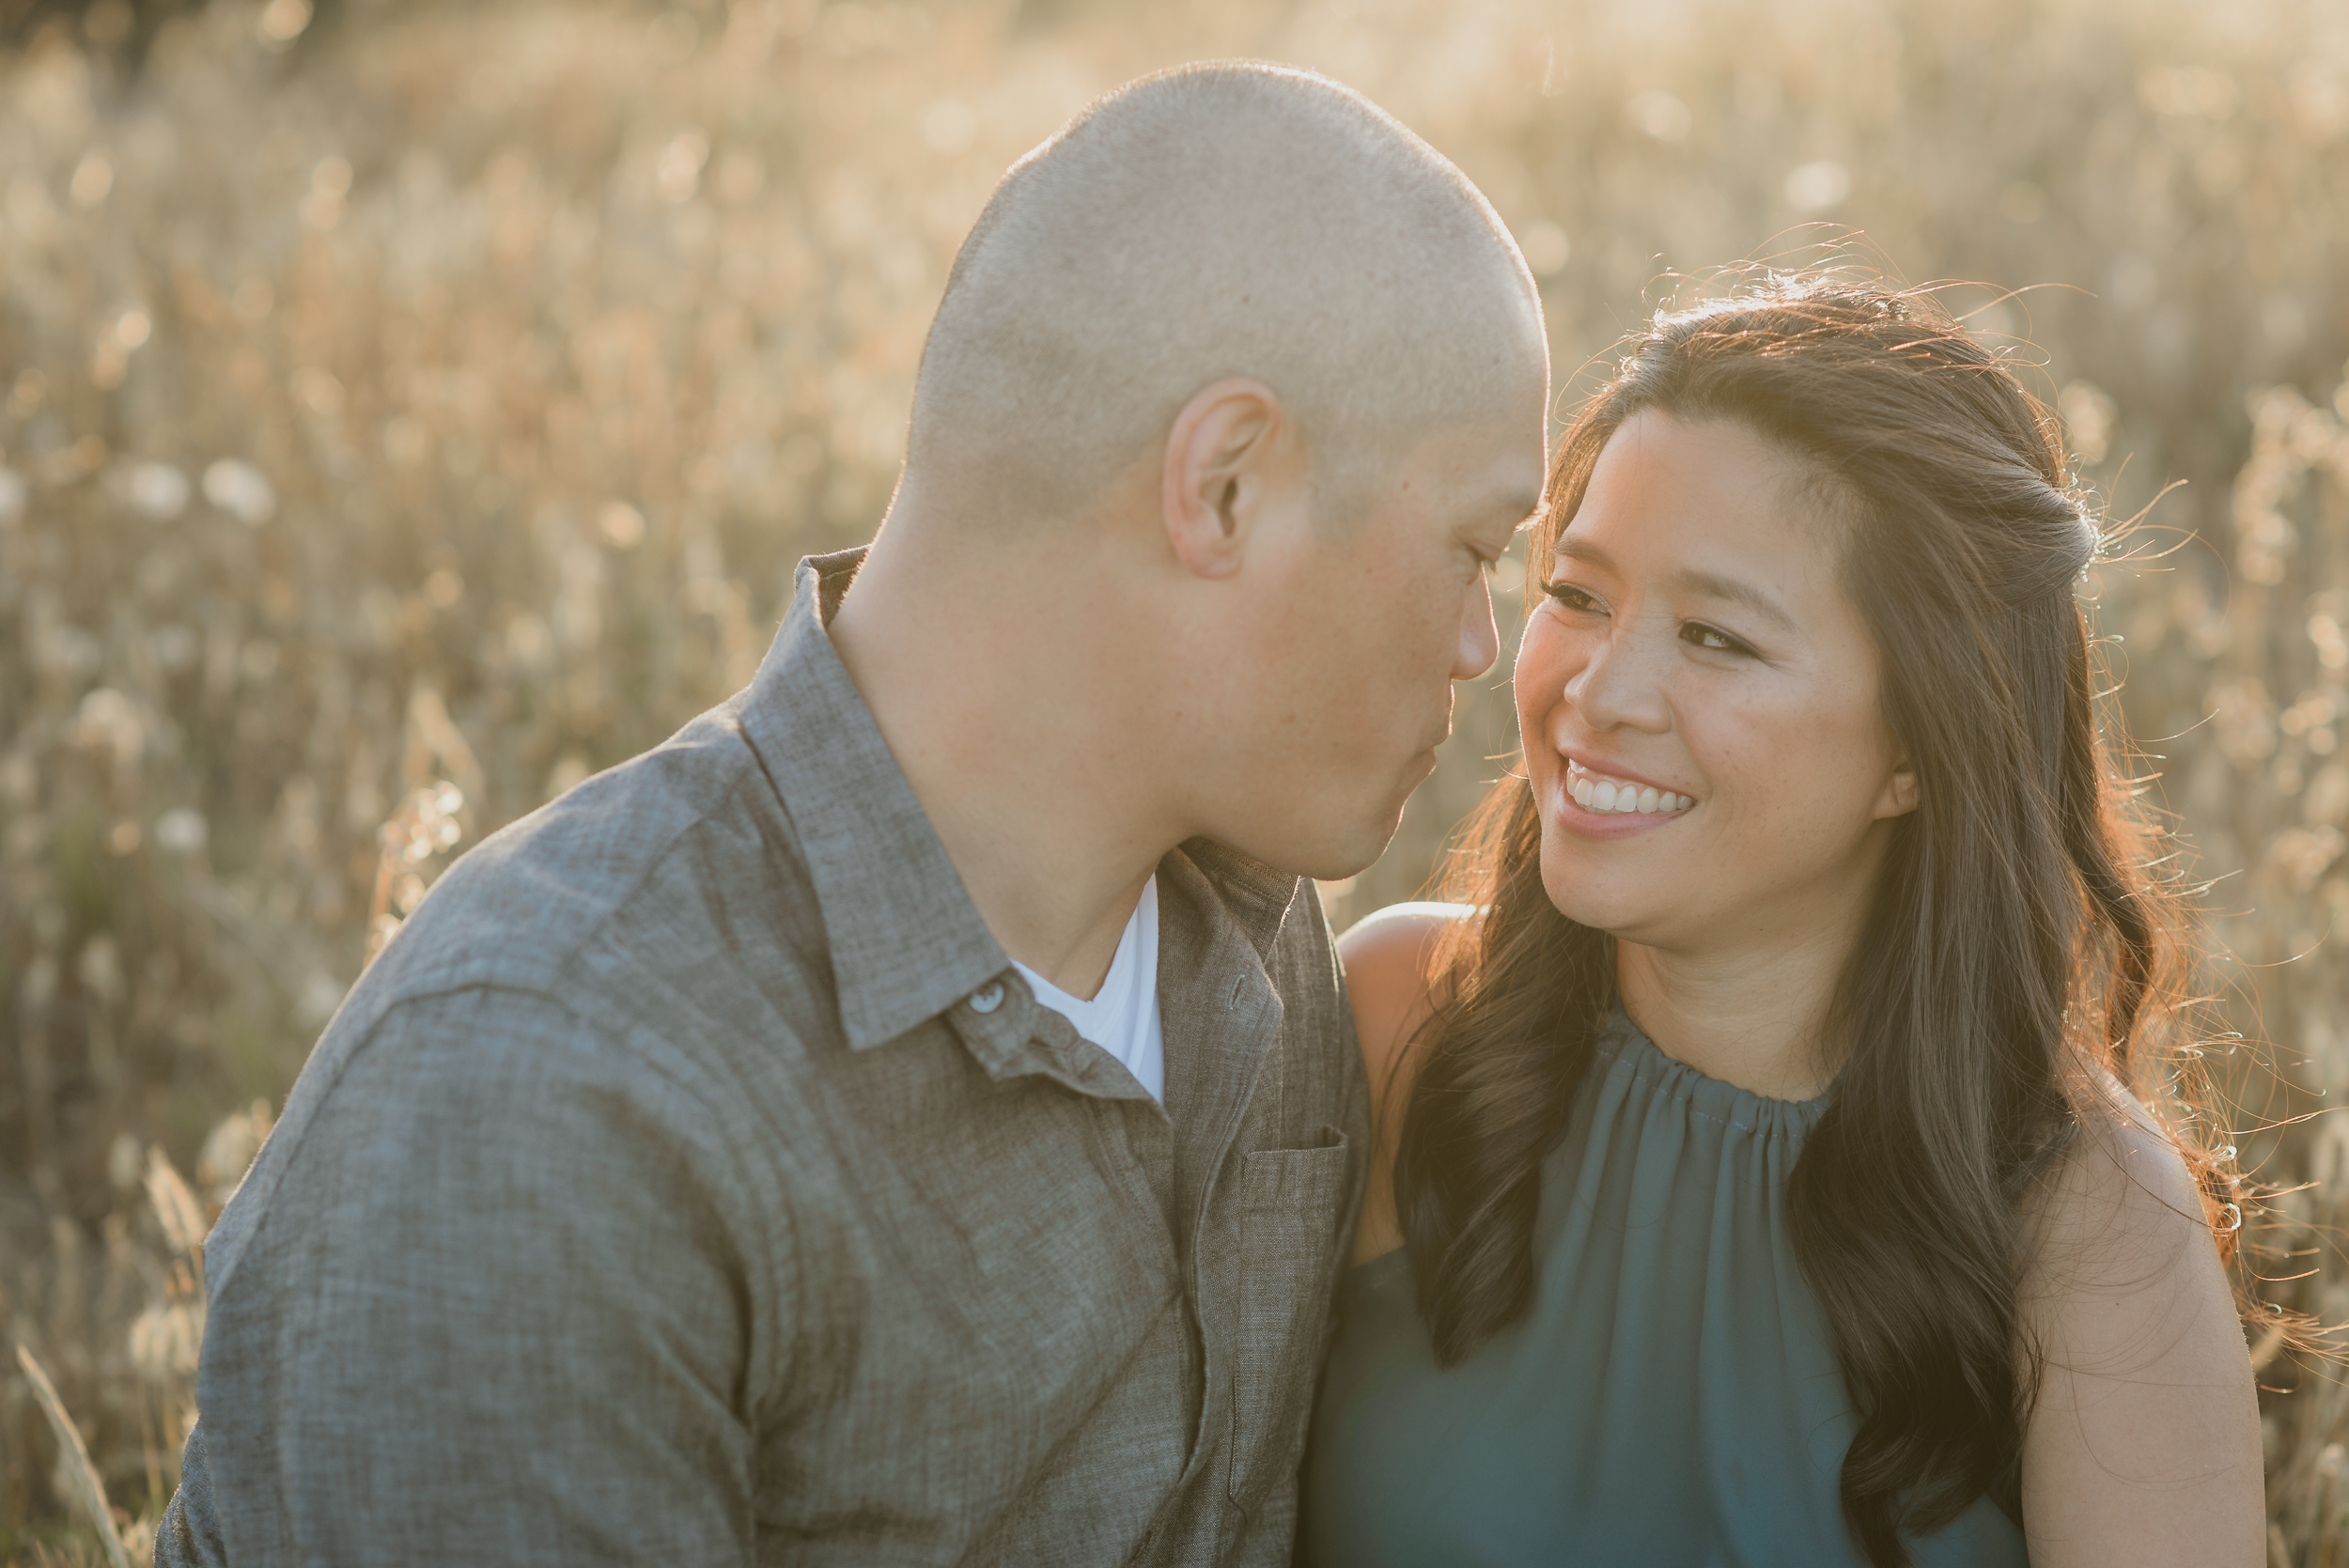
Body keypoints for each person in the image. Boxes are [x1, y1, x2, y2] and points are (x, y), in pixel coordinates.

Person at [156, 62, 1549, 1567]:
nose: (1487, 643)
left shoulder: (1260, 942)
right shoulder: (545, 1095)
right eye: (1474, 547)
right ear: (1223, 486)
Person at [1303, 277, 2265, 1567]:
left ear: (1917, 751)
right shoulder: (1398, 1018)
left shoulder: (2083, 1221)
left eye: (1716, 637)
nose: (1601, 689)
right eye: (1579, 594)